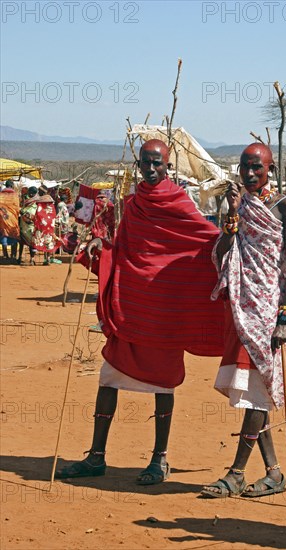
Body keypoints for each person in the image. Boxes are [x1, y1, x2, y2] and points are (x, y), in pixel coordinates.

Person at [55, 139, 224, 484]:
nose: (150, 169)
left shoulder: (179, 201)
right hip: (131, 305)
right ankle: (96, 456)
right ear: (138, 164)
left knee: (164, 385)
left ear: (167, 167)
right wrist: (101, 248)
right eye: (145, 163)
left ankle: (159, 460)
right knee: (108, 378)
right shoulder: (131, 204)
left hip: (164, 310)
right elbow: (125, 247)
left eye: (157, 164)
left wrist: (235, 247)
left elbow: (205, 240)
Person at [201, 143, 286, 499]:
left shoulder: (285, 206)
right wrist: (229, 222)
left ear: (269, 169)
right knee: (255, 392)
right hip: (242, 305)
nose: (249, 173)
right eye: (244, 167)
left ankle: (236, 472)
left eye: (256, 167)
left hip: (268, 308)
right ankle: (274, 473)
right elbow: (223, 254)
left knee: (257, 391)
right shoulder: (237, 205)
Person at [18, 186, 38, 265]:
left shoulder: (33, 202)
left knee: (25, 243)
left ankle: (27, 258)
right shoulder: (33, 203)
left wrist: (24, 213)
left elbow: (22, 211)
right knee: (30, 244)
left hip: (29, 226)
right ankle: (30, 259)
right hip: (27, 226)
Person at [0, 180, 19, 261]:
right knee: (14, 234)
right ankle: (13, 256)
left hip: (3, 217)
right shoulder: (15, 196)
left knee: (4, 233)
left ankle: (5, 255)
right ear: (12, 186)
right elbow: (17, 208)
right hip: (13, 218)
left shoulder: (0, 195)